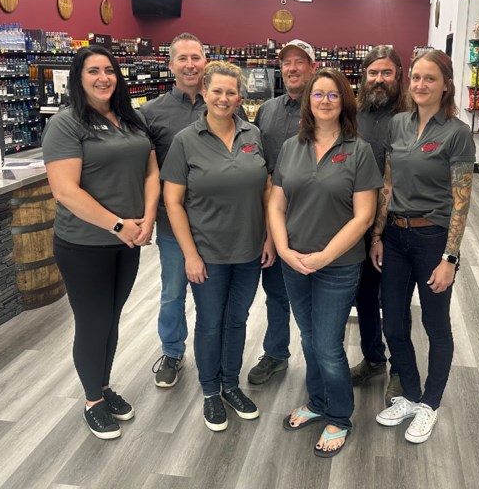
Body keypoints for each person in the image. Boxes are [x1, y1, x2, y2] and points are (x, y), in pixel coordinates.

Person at [42, 45, 160, 440]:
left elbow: (150, 171)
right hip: (84, 244)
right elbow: (65, 191)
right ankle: (93, 400)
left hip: (125, 242)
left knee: (111, 317)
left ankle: (104, 385)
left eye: (109, 70)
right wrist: (117, 226)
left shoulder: (131, 118)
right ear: (78, 77)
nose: (103, 78)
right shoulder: (67, 123)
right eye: (93, 71)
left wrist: (146, 218)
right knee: (93, 322)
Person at [269, 67, 382, 458]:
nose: (325, 101)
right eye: (318, 95)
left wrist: (325, 256)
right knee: (308, 337)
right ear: (308, 101)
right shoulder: (290, 147)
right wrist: (284, 250)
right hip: (294, 260)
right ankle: (316, 402)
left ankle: (340, 415)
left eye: (333, 95)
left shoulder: (358, 150)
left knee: (329, 344)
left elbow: (363, 216)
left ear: (344, 102)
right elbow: (276, 202)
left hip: (338, 265)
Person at [369, 49, 475, 444]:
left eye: (429, 78)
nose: (420, 85)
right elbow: (388, 184)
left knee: (435, 324)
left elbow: (462, 200)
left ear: (445, 84)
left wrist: (450, 257)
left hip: (433, 239)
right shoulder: (398, 124)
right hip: (396, 237)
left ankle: (431, 402)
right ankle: (410, 394)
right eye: (415, 78)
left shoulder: (457, 132)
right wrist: (378, 234)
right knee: (393, 321)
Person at [161, 61, 274, 432]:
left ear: (240, 96)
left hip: (249, 250)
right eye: (217, 91)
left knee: (237, 321)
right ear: (205, 93)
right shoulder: (185, 141)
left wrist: (270, 237)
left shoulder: (252, 134)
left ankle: (231, 385)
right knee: (210, 323)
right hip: (207, 253)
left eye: (231, 92)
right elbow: (173, 201)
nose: (224, 98)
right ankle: (210, 391)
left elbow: (266, 189)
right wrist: (190, 254)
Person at [139, 32, 223, 389]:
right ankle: (172, 352)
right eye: (183, 58)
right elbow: (144, 171)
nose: (191, 64)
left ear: (206, 62)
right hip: (172, 225)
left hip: (218, 223)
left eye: (196, 57)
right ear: (170, 65)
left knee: (215, 295)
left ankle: (215, 353)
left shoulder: (221, 104)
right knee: (173, 291)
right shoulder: (151, 112)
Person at [246, 39, 317, 385]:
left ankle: (319, 358)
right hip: (270, 213)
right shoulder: (267, 111)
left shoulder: (325, 106)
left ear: (312, 67)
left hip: (314, 214)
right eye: (286, 62)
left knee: (315, 293)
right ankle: (276, 353)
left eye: (299, 61)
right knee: (276, 290)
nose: (292, 68)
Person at [350, 46, 409, 405]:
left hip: (400, 222)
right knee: (365, 296)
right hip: (358, 220)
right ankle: (373, 359)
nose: (379, 79)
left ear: (398, 75)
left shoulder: (410, 116)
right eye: (373, 72)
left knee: (396, 299)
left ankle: (401, 369)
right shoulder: (353, 114)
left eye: (386, 72)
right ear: (365, 75)